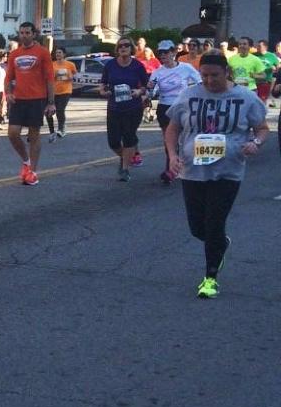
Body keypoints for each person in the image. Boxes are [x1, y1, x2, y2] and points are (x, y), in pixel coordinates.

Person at [164, 52, 268, 298]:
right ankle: (221, 243)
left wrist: (255, 142)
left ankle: (210, 278)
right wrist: (172, 155)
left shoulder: (244, 97)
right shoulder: (189, 95)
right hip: (192, 170)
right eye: (205, 75)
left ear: (227, 73)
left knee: (213, 224)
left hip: (228, 171)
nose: (209, 81)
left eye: (215, 76)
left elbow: (262, 128)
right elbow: (173, 127)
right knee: (197, 228)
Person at [5, 21, 56, 185]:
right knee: (13, 133)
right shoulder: (14, 54)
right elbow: (8, 77)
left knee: (34, 135)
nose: (24, 36)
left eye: (27, 33)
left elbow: (49, 78)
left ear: (34, 34)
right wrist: (8, 93)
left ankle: (32, 171)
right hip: (19, 99)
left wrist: (51, 102)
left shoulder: (42, 53)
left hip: (37, 99)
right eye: (22, 33)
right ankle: (25, 161)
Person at [147, 39, 202, 184]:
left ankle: (188, 165)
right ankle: (171, 170)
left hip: (184, 107)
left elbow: (200, 83)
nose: (163, 55)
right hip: (165, 108)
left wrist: (194, 96)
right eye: (160, 53)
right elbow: (150, 93)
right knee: (169, 140)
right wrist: (150, 88)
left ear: (173, 52)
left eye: (166, 52)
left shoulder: (186, 68)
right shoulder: (157, 72)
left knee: (185, 139)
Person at [99, 37, 149, 181]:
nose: (123, 48)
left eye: (126, 45)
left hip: (133, 108)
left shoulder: (138, 66)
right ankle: (126, 156)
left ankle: (125, 168)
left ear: (131, 48)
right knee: (113, 142)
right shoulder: (110, 65)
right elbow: (103, 83)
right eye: (120, 46)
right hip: (114, 108)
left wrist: (139, 92)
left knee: (129, 138)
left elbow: (145, 86)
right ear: (117, 49)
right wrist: (103, 92)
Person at [47, 47, 76, 141]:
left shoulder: (70, 64)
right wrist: (55, 76)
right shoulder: (52, 65)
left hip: (66, 90)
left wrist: (70, 77)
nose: (58, 54)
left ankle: (61, 129)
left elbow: (74, 74)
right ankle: (52, 132)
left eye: (60, 52)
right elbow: (49, 77)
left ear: (64, 54)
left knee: (60, 109)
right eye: (56, 53)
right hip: (54, 91)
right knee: (50, 112)